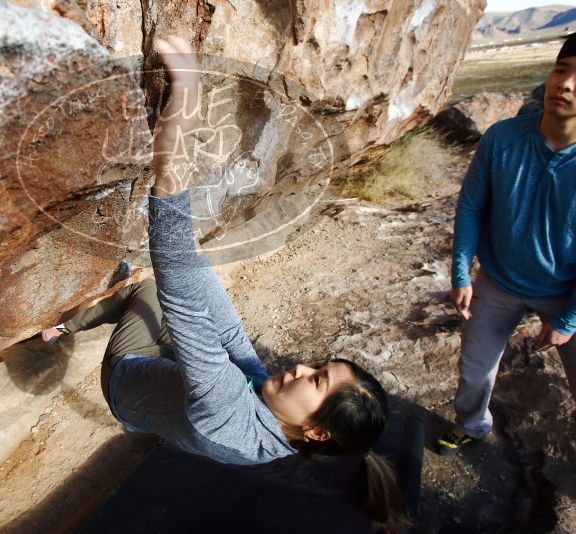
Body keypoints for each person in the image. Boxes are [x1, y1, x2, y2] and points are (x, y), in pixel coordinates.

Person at [43, 37, 408, 532]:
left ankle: (60, 326)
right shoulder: (276, 416)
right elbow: (230, 335)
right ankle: (121, 338)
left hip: (129, 382)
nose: (301, 367)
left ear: (317, 433)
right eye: (318, 365)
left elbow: (183, 305)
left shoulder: (232, 421)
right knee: (178, 294)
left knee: (148, 292)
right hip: (172, 392)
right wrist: (189, 257)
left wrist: (185, 103)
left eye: (317, 380)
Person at [438, 34, 576, 456]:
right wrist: (461, 272)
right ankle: (473, 426)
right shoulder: (502, 139)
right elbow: (471, 207)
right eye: (562, 69)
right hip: (498, 280)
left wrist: (568, 320)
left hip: (566, 290)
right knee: (475, 370)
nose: (566, 84)